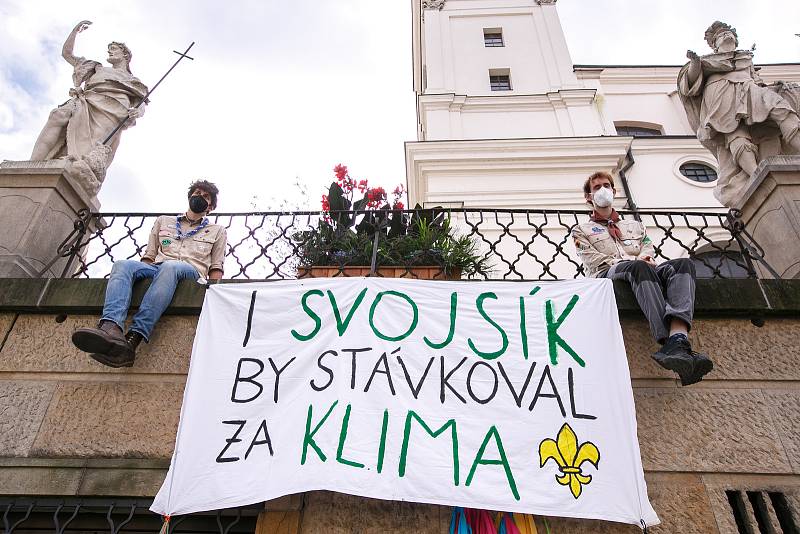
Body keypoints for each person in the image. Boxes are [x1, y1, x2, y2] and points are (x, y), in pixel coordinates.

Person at [572, 171, 713, 386]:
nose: (603, 190)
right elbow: (592, 260)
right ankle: (668, 342)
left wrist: (645, 259)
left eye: (607, 185)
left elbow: (647, 248)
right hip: (607, 274)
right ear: (589, 197)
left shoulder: (635, 226)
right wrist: (632, 260)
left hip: (643, 268)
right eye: (597, 187)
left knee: (683, 265)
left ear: (614, 190)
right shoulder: (581, 230)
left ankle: (678, 336)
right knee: (636, 267)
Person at [72, 180, 226, 368]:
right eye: (197, 193)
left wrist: (215, 291)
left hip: (191, 272)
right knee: (122, 265)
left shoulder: (217, 230)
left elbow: (216, 266)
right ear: (189, 196)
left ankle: (134, 337)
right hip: (157, 268)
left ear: (210, 206)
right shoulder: (164, 221)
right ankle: (111, 327)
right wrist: (140, 278)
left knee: (172, 267)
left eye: (205, 196)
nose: (199, 197)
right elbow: (149, 256)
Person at [677, 21, 800, 206]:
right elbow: (689, 84)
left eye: (729, 33)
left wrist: (780, 86)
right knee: (735, 136)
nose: (726, 36)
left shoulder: (744, 58)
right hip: (720, 95)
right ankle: (756, 175)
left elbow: (757, 80)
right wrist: (695, 62)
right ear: (715, 44)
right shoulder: (708, 61)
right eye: (721, 35)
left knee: (782, 109)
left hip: (749, 89)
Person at [31, 20, 148, 192]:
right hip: (87, 100)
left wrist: (136, 112)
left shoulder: (133, 81)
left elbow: (141, 102)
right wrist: (74, 32)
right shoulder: (97, 68)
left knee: (89, 149)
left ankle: (74, 170)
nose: (109, 51)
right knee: (57, 115)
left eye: (114, 48)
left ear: (125, 55)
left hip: (112, 111)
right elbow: (67, 54)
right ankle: (31, 166)